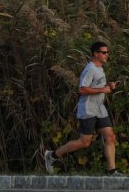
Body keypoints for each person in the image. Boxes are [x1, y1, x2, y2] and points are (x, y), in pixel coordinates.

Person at [44, 41, 122, 176]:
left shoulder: (100, 68)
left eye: (107, 52)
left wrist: (109, 85)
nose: (107, 55)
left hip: (99, 108)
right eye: (104, 52)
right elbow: (82, 89)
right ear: (95, 54)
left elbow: (97, 85)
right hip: (88, 109)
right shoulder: (90, 68)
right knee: (84, 142)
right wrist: (103, 89)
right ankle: (52, 155)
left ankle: (112, 171)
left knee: (110, 137)